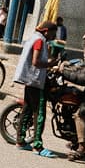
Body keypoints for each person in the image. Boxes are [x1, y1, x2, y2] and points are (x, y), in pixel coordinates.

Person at [13, 20, 57, 156]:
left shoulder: (34, 38)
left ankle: (20, 141)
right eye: (53, 33)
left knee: (27, 109)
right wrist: (50, 64)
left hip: (30, 80)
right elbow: (35, 61)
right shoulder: (39, 41)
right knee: (39, 114)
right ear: (46, 31)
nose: (53, 36)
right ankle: (37, 146)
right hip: (36, 81)